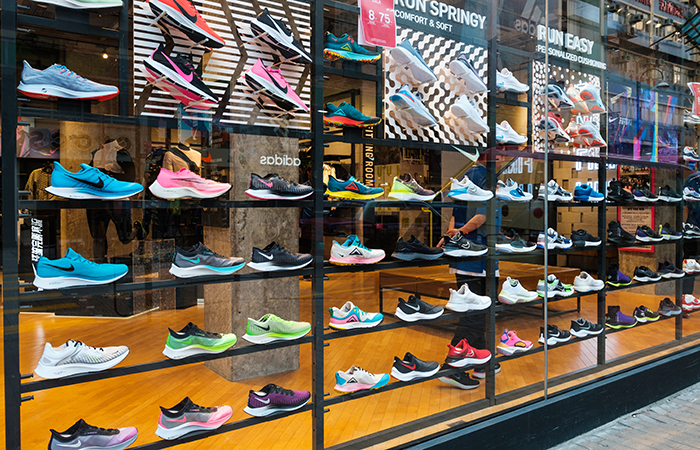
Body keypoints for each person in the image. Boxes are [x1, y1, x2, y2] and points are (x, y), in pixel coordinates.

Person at [438, 152, 501, 389]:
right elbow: (482, 214)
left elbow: (454, 215)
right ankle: (451, 365)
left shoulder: (465, 175)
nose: (504, 158)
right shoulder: (486, 175)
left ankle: (482, 359)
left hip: (464, 255)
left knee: (478, 309)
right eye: (501, 153)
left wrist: (450, 235)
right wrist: (462, 233)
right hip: (478, 253)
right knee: (475, 312)